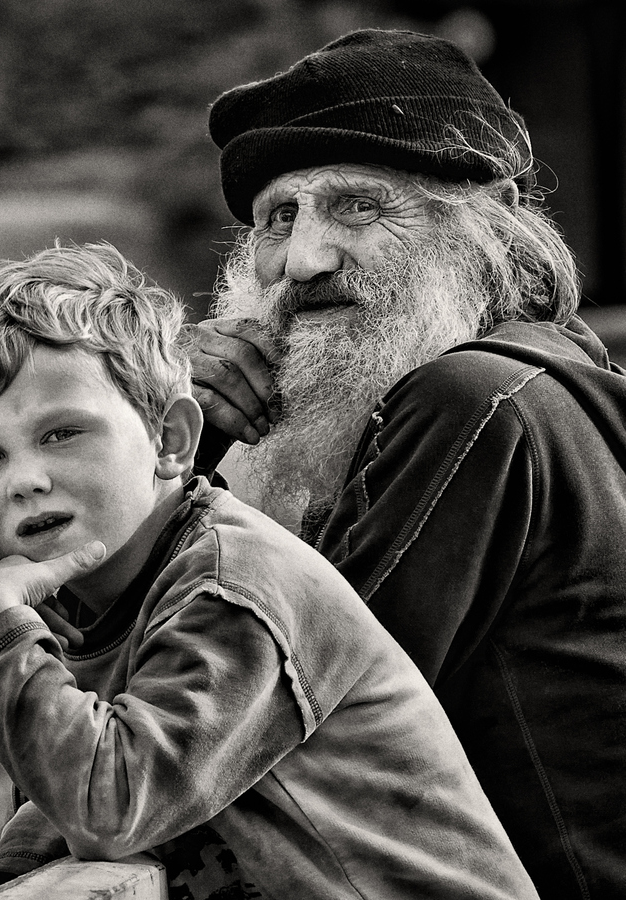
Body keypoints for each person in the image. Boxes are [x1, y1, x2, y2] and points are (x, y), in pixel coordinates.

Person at [0, 241, 538, 900]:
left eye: (61, 434)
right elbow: (57, 790)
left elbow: (111, 811)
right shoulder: (86, 600)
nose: (27, 481)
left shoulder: (231, 586)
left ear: (171, 441)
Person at [185, 27, 626, 900]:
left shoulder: (478, 403)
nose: (303, 261)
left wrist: (161, 463)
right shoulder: (540, 377)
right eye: (280, 217)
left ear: (484, 228)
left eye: (357, 205)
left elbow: (243, 743)